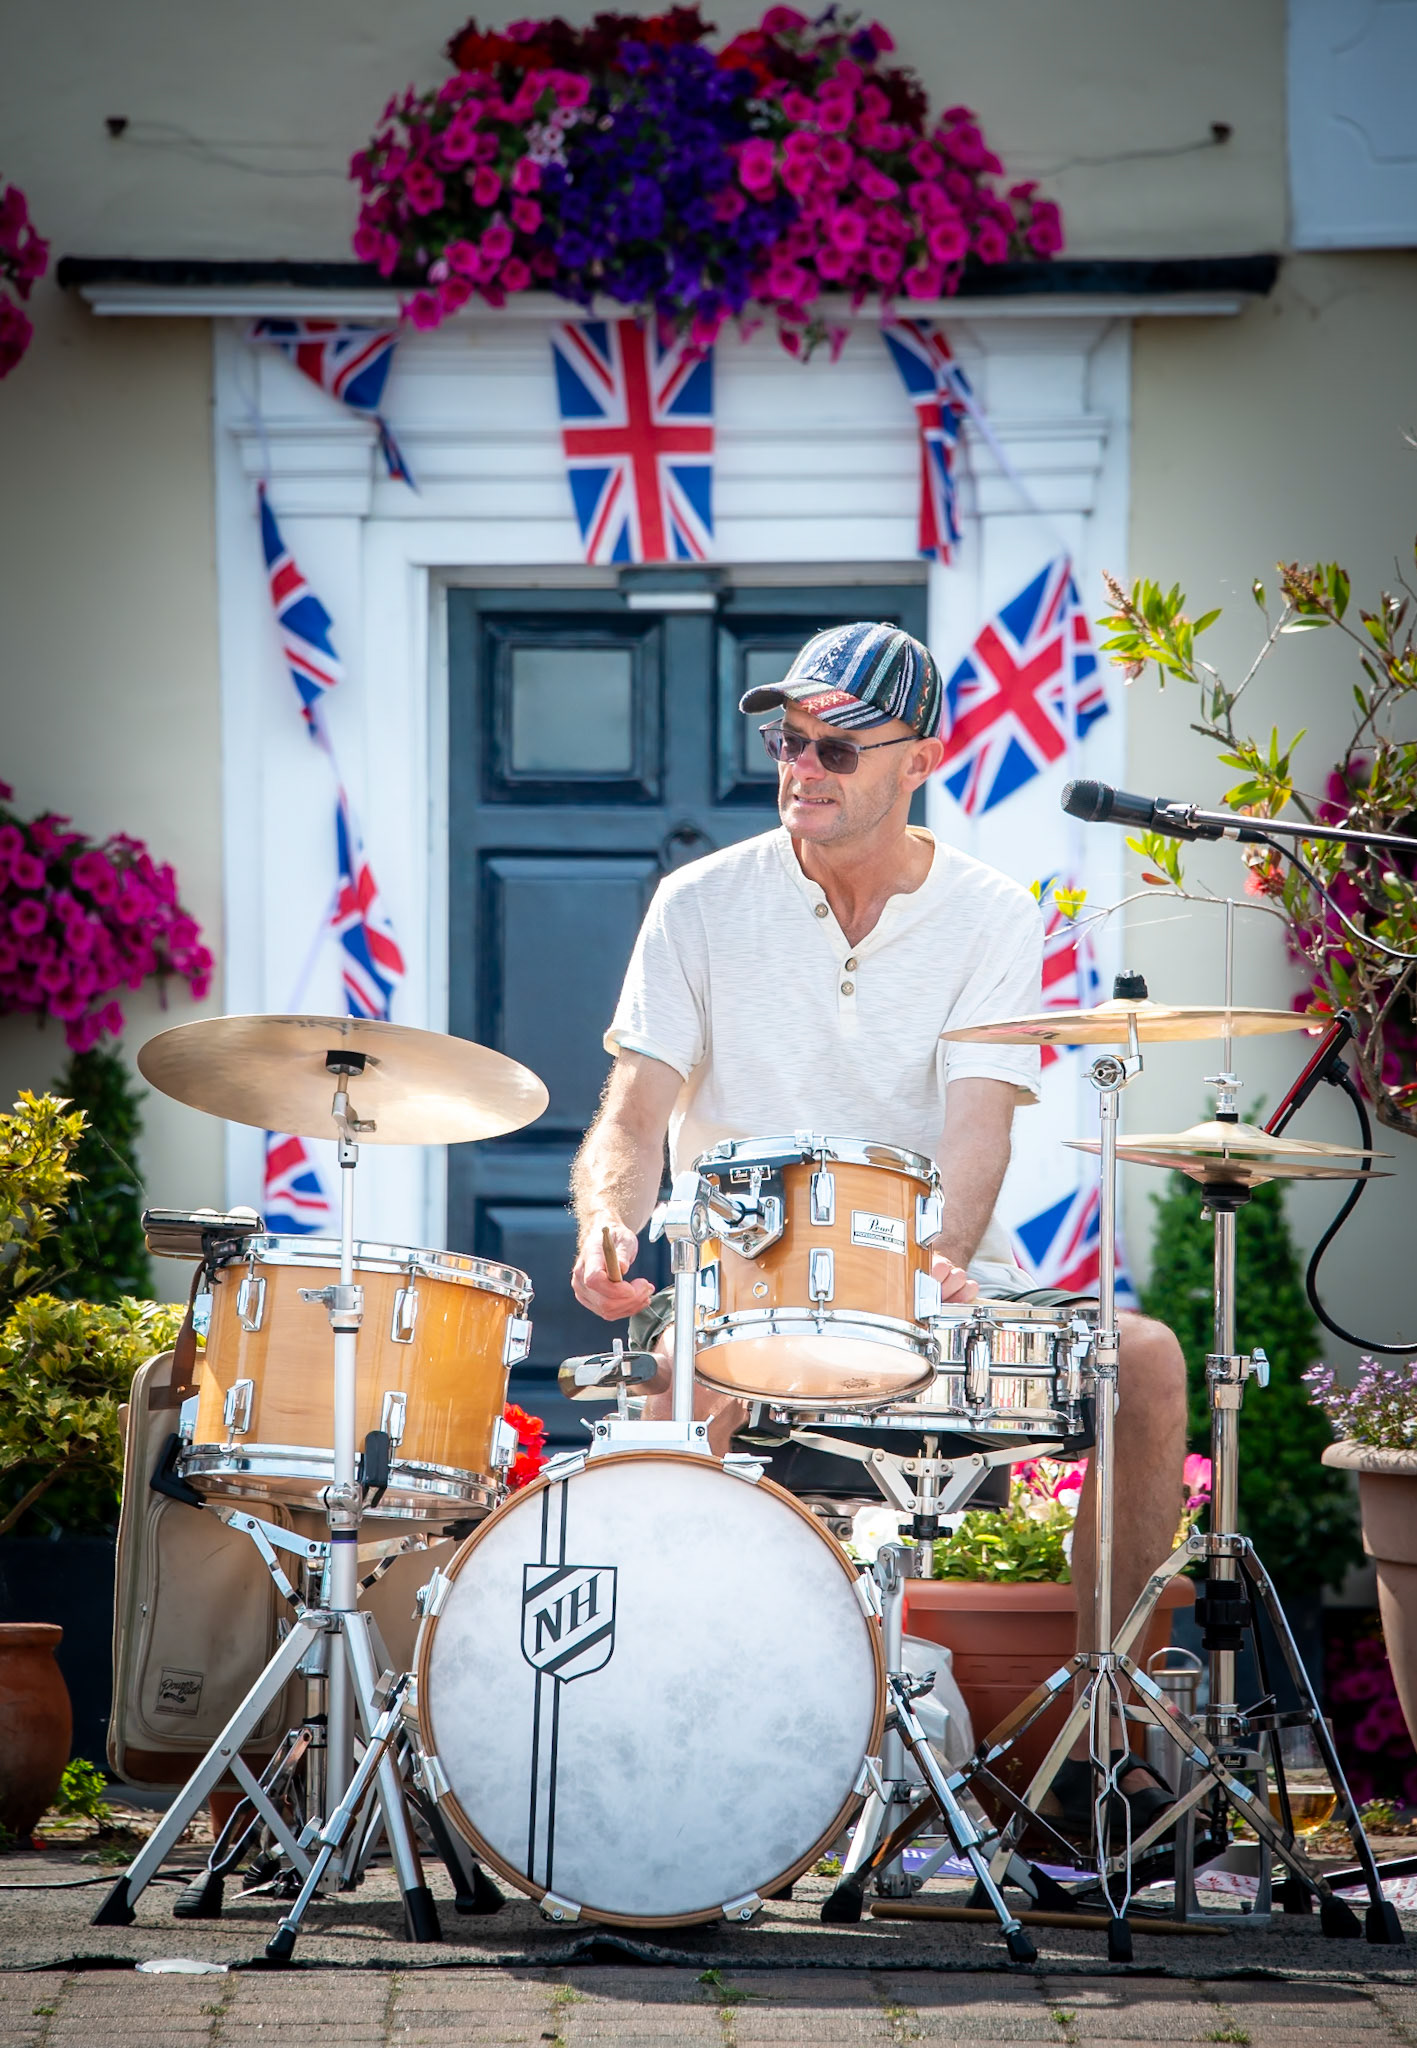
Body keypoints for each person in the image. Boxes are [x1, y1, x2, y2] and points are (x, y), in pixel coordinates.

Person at [569, 619, 1188, 1834]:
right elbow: (632, 1114)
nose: (801, 767)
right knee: (667, 1405)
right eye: (788, 740)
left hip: (929, 1282)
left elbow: (976, 1130)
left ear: (921, 759)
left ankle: (1098, 1756)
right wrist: (606, 1221)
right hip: (739, 1286)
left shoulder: (992, 914)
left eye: (837, 749)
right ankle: (662, 1756)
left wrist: (943, 1254)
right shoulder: (698, 903)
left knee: (1152, 1358)